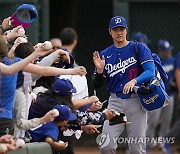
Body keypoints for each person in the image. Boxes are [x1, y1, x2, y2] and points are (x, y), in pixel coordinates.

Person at [92, 16, 156, 154]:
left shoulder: (138, 47)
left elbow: (151, 71)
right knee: (105, 146)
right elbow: (97, 84)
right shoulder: (105, 54)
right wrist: (99, 71)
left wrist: (135, 81)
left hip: (136, 101)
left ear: (126, 30)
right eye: (115, 29)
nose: (119, 32)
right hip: (115, 102)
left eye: (121, 29)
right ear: (110, 31)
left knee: (136, 149)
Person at [146, 39, 175, 150]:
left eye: (168, 51)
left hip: (170, 95)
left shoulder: (173, 61)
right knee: (153, 121)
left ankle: (163, 144)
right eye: (165, 51)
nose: (168, 53)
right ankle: (148, 144)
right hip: (157, 96)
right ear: (160, 51)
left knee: (167, 121)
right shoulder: (155, 61)